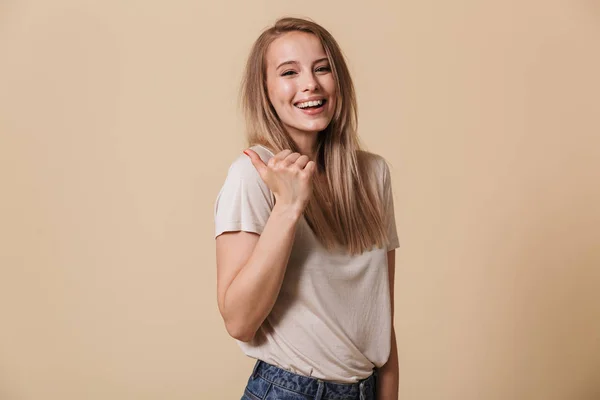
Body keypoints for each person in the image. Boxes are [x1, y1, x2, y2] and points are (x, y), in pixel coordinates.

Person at [214, 17, 400, 400]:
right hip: (289, 390)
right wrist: (288, 207)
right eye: (288, 72)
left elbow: (381, 318)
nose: (310, 84)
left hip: (365, 389)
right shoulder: (253, 175)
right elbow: (239, 321)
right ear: (265, 90)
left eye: (322, 68)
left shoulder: (372, 175)